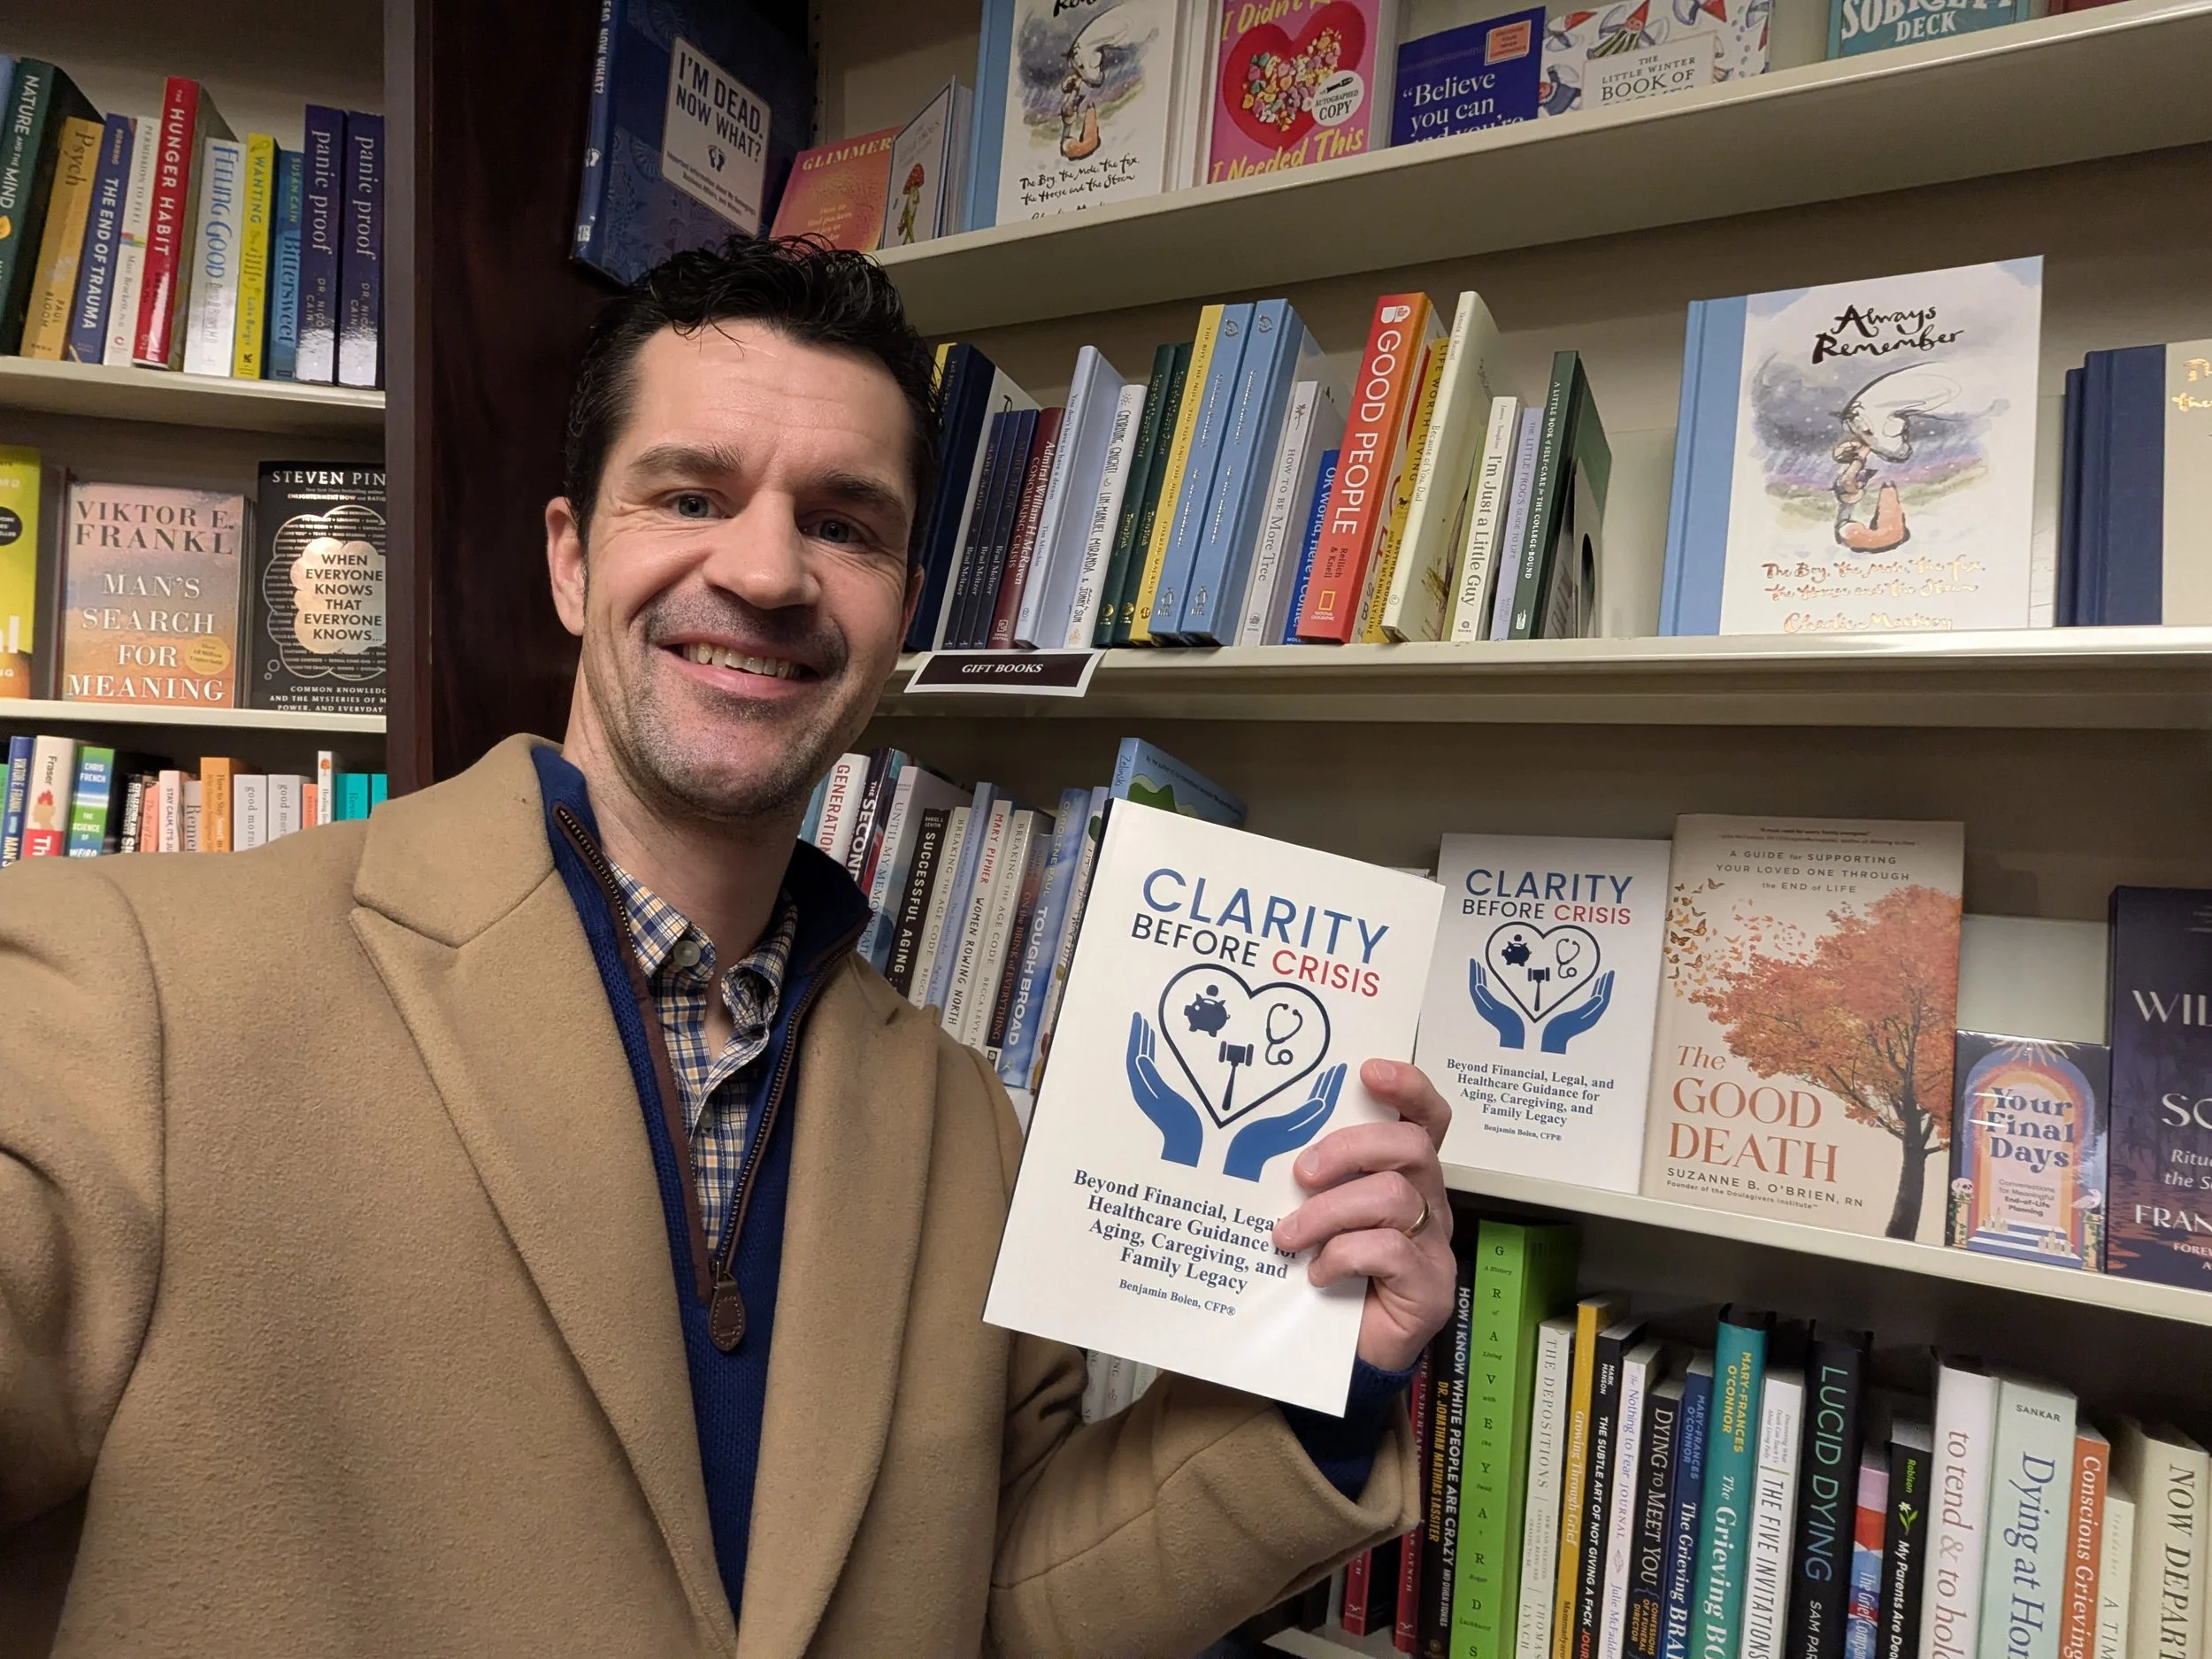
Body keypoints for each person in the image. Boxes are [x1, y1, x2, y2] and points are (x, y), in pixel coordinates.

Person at [0, 235, 1459, 1656]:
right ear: (572, 560)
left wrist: (1326, 1373)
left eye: (844, 524)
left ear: (898, 614)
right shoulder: (134, 992)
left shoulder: (964, 1120)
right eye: (691, 494)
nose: (767, 573)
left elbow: (1002, 1599)